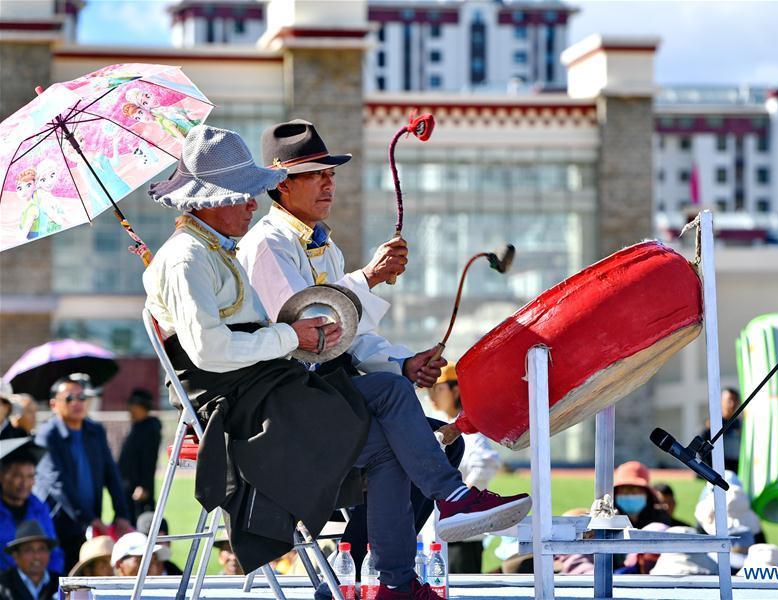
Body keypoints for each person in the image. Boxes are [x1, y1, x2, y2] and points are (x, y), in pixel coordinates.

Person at [142, 125, 531, 600]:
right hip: (252, 412)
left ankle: (394, 575)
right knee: (393, 412)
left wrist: (400, 361)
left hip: (276, 393)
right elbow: (225, 348)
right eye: (244, 194)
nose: (252, 202)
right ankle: (417, 543)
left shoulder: (213, 253)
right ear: (206, 201)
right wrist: (306, 322)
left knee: (396, 416)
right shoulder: (193, 258)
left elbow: (338, 333)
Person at [237, 119, 467, 572]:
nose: (329, 183)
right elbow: (313, 328)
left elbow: (354, 338)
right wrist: (368, 278)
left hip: (332, 394)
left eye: (331, 173)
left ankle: (366, 562)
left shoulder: (325, 247)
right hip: (294, 402)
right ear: (282, 185)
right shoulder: (267, 245)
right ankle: (375, 566)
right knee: (405, 439)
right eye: (316, 173)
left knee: (444, 441)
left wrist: (403, 363)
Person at [33, 375, 131, 572]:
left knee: (89, 581)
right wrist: (90, 519)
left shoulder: (94, 430)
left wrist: (122, 514)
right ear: (54, 404)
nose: (77, 403)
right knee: (61, 579)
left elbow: (111, 473)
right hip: (57, 524)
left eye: (82, 397)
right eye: (69, 398)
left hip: (90, 524)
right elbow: (57, 482)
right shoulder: (46, 435)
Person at [427, 363, 502, 573]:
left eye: (438, 388)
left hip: (463, 535)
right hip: (438, 531)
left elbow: (486, 462)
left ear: (456, 389)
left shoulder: (468, 429)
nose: (432, 396)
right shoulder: (440, 424)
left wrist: (463, 498)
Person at [0, 439, 64, 575]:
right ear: (2, 476)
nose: (24, 483)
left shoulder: (40, 509)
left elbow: (55, 554)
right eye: (18, 475)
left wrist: (49, 584)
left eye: (30, 476)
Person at [117, 389, 162, 521]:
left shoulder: (149, 429)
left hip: (138, 490)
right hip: (128, 487)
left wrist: (144, 486)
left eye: (132, 405)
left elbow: (149, 459)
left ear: (141, 407)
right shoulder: (138, 427)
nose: (129, 409)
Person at [0, 520, 60, 600]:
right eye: (28, 550)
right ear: (16, 556)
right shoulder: (3, 587)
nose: (37, 556)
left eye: (42, 549)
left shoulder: (60, 584)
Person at [612, 461, 670, 529]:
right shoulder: (607, 518)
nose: (630, 494)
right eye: (624, 489)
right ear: (616, 493)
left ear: (647, 493)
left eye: (635, 489)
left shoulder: (660, 516)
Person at [699, 387, 742, 473]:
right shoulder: (713, 425)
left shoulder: (740, 425)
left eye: (735, 400)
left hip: (737, 471)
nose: (732, 404)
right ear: (721, 402)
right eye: (729, 400)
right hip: (717, 472)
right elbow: (702, 449)